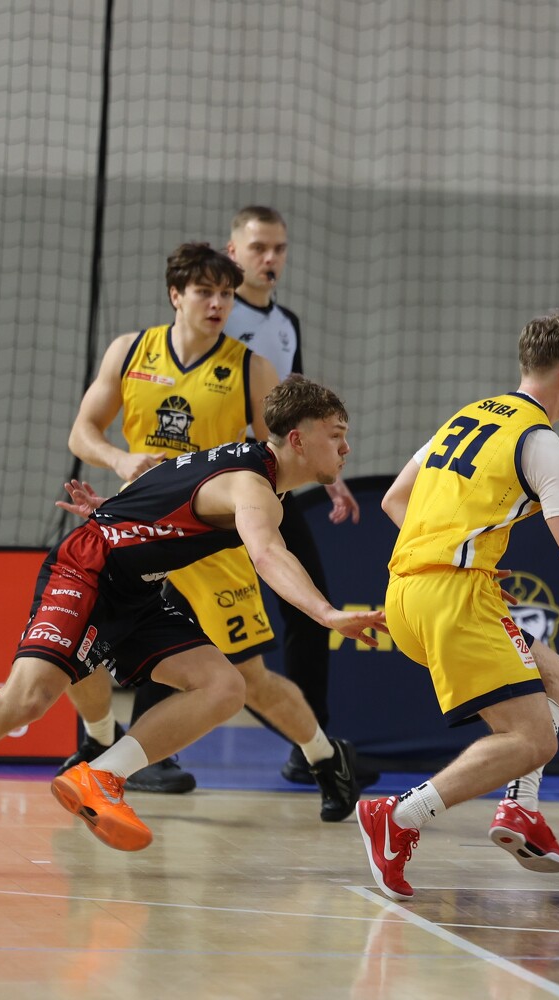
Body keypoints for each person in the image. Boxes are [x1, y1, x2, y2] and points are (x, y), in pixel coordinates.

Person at [0, 378, 385, 877]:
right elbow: (267, 554)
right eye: (336, 435)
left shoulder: (242, 462)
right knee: (27, 698)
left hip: (135, 588)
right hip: (88, 570)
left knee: (225, 686)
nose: (346, 448)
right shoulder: (253, 485)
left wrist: (116, 511)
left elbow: (163, 482)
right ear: (298, 439)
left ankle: (101, 774)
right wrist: (327, 614)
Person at [356, 312, 559, 901]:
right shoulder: (543, 447)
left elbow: (395, 499)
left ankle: (520, 807)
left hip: (405, 594)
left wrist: (455, 557)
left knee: (557, 679)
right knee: (535, 740)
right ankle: (398, 817)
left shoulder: (467, 417)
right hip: (452, 601)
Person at [56, 242, 362, 822]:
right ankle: (99, 743)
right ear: (176, 295)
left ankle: (326, 758)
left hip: (211, 534)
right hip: (142, 526)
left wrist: (328, 479)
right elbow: (82, 432)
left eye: (226, 294)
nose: (218, 303)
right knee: (78, 636)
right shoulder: (130, 351)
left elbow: (285, 448)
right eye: (205, 292)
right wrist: (120, 460)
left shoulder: (250, 367)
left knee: (248, 678)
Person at [222, 204, 375, 790]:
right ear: (233, 252)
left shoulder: (285, 324)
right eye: (259, 247)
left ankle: (312, 748)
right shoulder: (217, 316)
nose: (271, 258)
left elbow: (299, 411)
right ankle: (148, 753)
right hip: (221, 486)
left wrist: (330, 473)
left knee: (310, 607)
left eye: (279, 248)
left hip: (271, 483)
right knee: (183, 606)